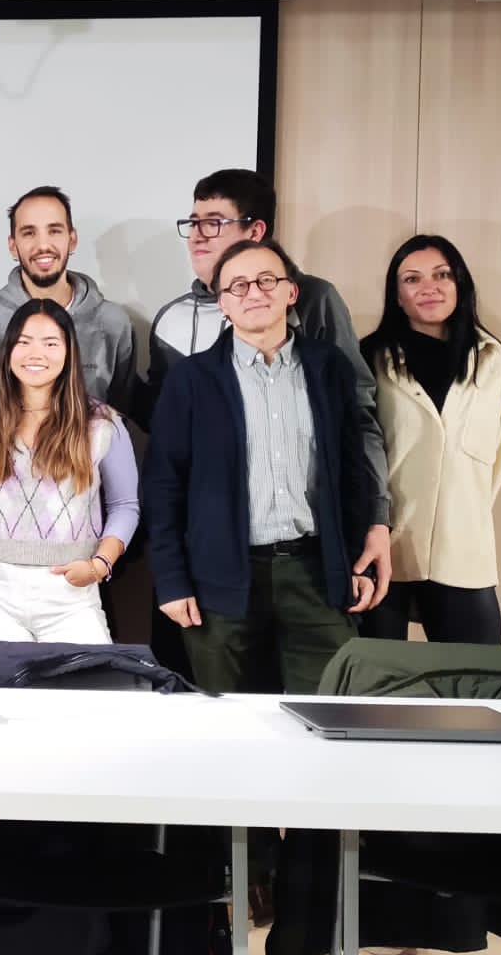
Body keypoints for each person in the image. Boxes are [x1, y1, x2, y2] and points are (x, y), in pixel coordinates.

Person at [142, 238, 377, 694]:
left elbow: (351, 473)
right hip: (221, 575)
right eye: (239, 285)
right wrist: (170, 581)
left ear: (291, 292)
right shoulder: (191, 380)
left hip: (315, 573)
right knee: (231, 726)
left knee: (327, 715)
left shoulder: (329, 369)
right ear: (222, 303)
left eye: (268, 280)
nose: (255, 293)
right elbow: (163, 486)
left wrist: (356, 563)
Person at [141, 168, 392, 595]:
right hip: (207, 552)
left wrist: (377, 516)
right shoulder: (171, 318)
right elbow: (168, 452)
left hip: (307, 549)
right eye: (193, 222)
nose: (198, 235)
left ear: (256, 230)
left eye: (214, 222)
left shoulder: (315, 300)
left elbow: (359, 417)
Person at [357, 235, 501, 644]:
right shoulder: (369, 358)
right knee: (375, 692)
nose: (428, 287)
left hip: (462, 547)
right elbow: (358, 454)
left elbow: (497, 457)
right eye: (412, 279)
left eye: (442, 275)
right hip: (383, 548)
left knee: (479, 685)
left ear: (460, 284)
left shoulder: (496, 361)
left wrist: (461, 512)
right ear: (396, 295)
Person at [0, 299, 139, 643]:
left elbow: (125, 505)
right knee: (1, 695)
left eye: (51, 343)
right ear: (8, 351)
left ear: (70, 352)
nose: (35, 353)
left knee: (85, 691)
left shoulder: (102, 424)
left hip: (72, 590)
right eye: (23, 342)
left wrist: (100, 565)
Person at [0, 186, 139, 417]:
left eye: (54, 231)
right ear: (12, 245)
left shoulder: (113, 323)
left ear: (72, 239)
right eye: (29, 233)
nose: (43, 245)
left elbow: (121, 414)